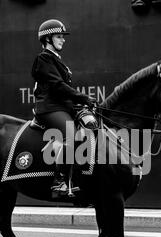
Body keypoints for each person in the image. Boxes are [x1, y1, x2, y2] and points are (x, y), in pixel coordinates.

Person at [32, 19, 96, 197]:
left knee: (88, 128)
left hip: (62, 107)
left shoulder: (57, 60)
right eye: (59, 36)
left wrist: (80, 105)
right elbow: (57, 86)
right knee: (71, 133)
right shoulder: (43, 58)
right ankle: (58, 182)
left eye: (62, 36)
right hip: (49, 108)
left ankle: (80, 179)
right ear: (47, 39)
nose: (63, 39)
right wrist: (82, 97)